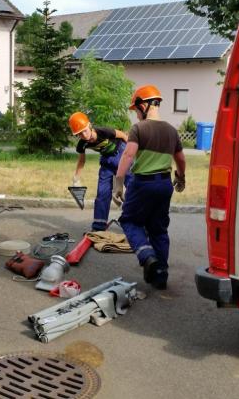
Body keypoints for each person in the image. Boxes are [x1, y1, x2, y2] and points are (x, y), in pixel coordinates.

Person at [112, 85, 186, 290]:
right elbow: (180, 158)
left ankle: (147, 257)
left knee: (129, 220)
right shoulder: (172, 130)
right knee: (158, 229)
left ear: (143, 105)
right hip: (164, 184)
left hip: (143, 184)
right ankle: (161, 275)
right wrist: (181, 177)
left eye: (136, 110)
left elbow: (127, 155)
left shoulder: (139, 129)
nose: (136, 115)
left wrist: (118, 183)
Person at [69, 112, 133, 231]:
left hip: (121, 153)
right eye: (79, 134)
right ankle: (99, 226)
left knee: (132, 188)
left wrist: (131, 155)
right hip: (106, 159)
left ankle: (137, 224)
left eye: (85, 130)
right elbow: (82, 161)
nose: (83, 135)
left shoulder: (103, 131)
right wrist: (76, 178)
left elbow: (124, 136)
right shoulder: (82, 144)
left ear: (89, 125)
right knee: (102, 191)